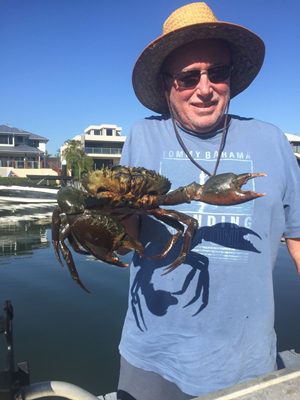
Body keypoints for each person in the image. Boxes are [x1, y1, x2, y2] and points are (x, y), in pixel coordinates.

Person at [117, 3, 300, 399]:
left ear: (230, 77)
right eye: (187, 77)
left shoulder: (271, 140)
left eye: (217, 73)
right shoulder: (141, 137)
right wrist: (110, 216)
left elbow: (298, 238)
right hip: (151, 357)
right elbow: (125, 241)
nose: (205, 88)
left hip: (245, 362)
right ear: (167, 84)